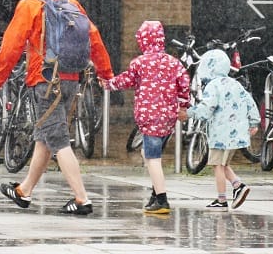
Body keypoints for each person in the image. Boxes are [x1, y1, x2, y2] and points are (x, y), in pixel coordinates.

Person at [0, 0, 114, 215]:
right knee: (45, 137)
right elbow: (94, 38)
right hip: (71, 78)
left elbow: (12, 44)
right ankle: (24, 191)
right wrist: (106, 73)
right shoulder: (71, 2)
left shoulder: (30, 4)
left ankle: (82, 199)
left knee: (58, 139)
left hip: (46, 79)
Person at [101, 21, 190, 215]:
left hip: (149, 118)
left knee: (152, 158)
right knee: (148, 155)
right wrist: (183, 105)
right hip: (168, 117)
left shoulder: (139, 63)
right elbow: (184, 83)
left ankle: (161, 200)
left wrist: (109, 84)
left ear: (143, 41)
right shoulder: (173, 62)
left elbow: (126, 80)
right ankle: (155, 192)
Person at [186, 49, 260, 211]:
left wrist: (189, 113)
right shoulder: (236, 84)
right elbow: (250, 102)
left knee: (217, 165)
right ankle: (238, 186)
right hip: (237, 132)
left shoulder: (212, 86)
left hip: (220, 133)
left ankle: (221, 199)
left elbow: (206, 109)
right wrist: (254, 123)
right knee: (223, 164)